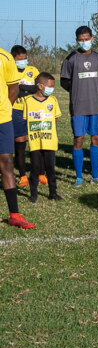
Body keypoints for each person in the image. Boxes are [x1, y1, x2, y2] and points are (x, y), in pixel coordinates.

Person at [60, 25, 98, 185]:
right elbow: (64, 82)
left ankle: (96, 175)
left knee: (97, 139)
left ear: (92, 39)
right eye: (81, 40)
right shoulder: (70, 59)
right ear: (77, 40)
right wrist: (77, 92)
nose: (84, 42)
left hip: (96, 107)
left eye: (87, 39)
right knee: (78, 140)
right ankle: (79, 177)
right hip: (78, 107)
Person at [0, 45, 33, 228]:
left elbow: (13, 89)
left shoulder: (5, 58)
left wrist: (5, 109)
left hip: (3, 119)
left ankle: (14, 214)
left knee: (7, 163)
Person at [22, 73, 62, 202]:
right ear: (40, 86)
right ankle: (33, 194)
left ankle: (53, 193)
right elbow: (26, 119)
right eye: (50, 86)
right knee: (35, 168)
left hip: (49, 141)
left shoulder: (53, 100)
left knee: (50, 168)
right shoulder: (28, 101)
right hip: (35, 141)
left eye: (53, 87)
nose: (52, 89)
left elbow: (55, 119)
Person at [10, 45, 43, 187]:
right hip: (16, 111)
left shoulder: (33, 70)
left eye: (25, 58)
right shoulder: (9, 71)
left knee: (38, 142)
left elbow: (38, 87)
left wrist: (20, 88)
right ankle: (23, 175)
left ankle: (41, 173)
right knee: (20, 143)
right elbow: (11, 91)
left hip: (33, 110)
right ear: (13, 59)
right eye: (20, 59)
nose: (23, 61)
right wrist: (28, 90)